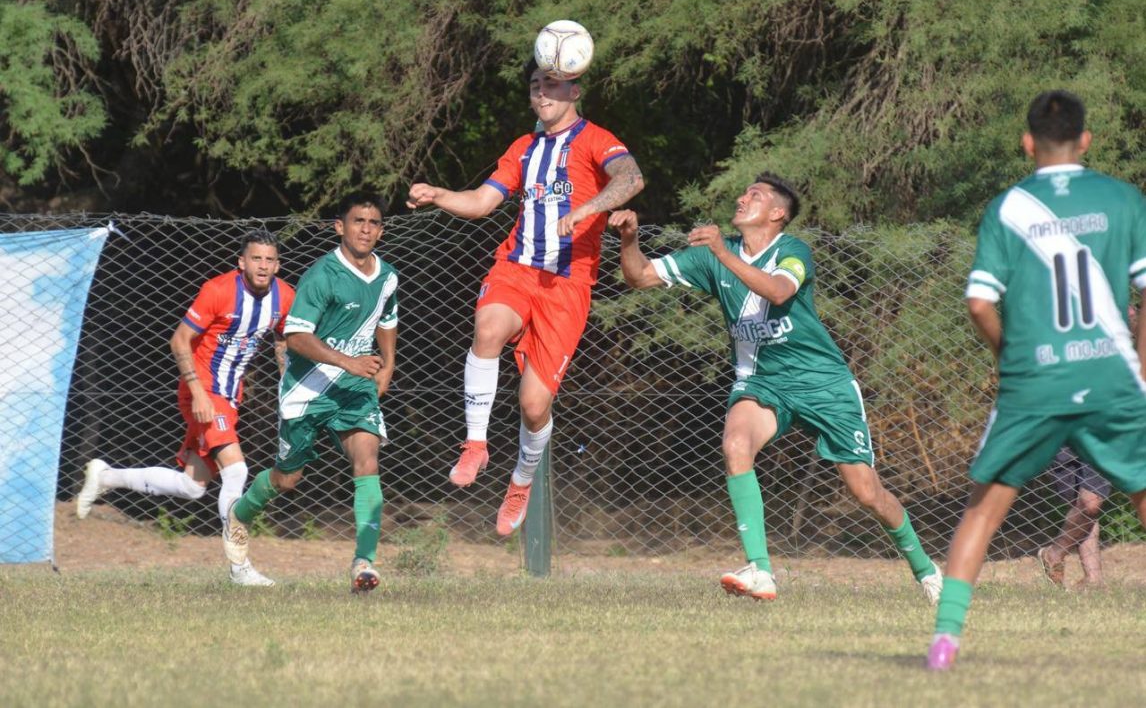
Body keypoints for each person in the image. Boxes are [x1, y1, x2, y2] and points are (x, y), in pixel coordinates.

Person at [608, 175, 943, 603]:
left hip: (823, 383)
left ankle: (927, 571)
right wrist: (630, 239)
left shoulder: (793, 250)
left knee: (866, 492)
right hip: (762, 381)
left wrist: (721, 254)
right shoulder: (717, 253)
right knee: (735, 444)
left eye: (755, 195)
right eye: (744, 192)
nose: (742, 197)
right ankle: (761, 571)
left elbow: (779, 291)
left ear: (777, 213)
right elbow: (639, 276)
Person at [927, 90, 1146, 670]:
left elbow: (978, 303)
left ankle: (945, 645)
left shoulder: (1007, 206)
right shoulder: (1125, 200)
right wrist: (1140, 367)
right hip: (1110, 374)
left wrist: (1012, 357)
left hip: (1035, 379)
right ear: (1086, 140)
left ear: (1027, 143)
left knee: (983, 511)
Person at [406, 57, 644, 536]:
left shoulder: (597, 140)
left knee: (534, 406)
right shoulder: (523, 148)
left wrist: (588, 209)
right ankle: (475, 444)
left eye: (552, 85)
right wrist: (439, 194)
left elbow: (631, 179)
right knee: (489, 327)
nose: (542, 94)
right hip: (516, 267)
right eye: (536, 85)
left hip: (568, 285)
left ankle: (521, 481)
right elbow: (481, 201)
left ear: (574, 92)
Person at [75, 229, 294, 587]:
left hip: (230, 396)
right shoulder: (218, 290)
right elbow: (179, 340)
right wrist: (199, 393)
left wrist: (288, 384)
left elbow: (283, 338)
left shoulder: (285, 297)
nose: (263, 266)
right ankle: (240, 568)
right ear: (242, 262)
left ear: (277, 265)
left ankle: (106, 477)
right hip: (202, 391)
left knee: (193, 487)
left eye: (270, 260)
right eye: (256, 258)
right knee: (237, 471)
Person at [222, 196, 397, 594]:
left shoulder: (387, 276)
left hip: (354, 390)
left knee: (367, 460)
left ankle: (363, 562)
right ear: (340, 227)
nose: (366, 229)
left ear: (381, 230)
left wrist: (387, 363)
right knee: (287, 479)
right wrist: (347, 362)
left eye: (373, 222)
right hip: (308, 389)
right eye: (358, 221)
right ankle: (239, 515)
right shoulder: (322, 276)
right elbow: (297, 336)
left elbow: (387, 318)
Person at [1037, 447, 1110, 588]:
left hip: (1100, 433)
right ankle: (1093, 579)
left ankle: (1054, 554)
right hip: (1062, 434)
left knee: (1091, 503)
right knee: (1079, 505)